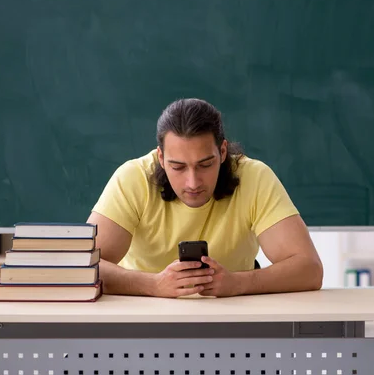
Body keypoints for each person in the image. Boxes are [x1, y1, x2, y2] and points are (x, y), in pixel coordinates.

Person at [87, 98, 323, 298]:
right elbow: (83, 265)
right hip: (146, 319)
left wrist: (238, 283)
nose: (193, 183)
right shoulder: (133, 177)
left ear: (222, 152)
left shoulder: (254, 177)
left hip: (235, 318)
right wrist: (155, 285)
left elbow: (310, 269)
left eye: (205, 164)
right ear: (160, 157)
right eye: (178, 167)